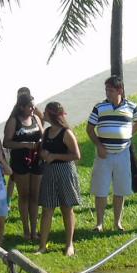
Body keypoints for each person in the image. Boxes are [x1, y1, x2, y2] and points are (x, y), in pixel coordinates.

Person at [87, 75, 137, 232]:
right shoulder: (99, 107)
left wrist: (128, 134)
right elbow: (89, 129)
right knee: (101, 189)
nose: (107, 93)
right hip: (103, 154)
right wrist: (99, 145)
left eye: (111, 90)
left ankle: (117, 222)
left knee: (120, 189)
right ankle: (99, 223)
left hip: (122, 153)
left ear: (120, 90)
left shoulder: (131, 107)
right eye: (106, 90)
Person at [37, 102, 82, 256]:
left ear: (52, 114)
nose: (43, 114)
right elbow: (43, 150)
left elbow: (76, 155)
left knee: (66, 208)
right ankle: (42, 246)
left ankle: (69, 245)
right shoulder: (47, 132)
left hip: (65, 171)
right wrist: (43, 154)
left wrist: (54, 156)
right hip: (49, 172)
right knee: (47, 209)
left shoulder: (66, 133)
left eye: (45, 112)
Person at [4, 89, 44, 242]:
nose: (33, 109)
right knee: (24, 195)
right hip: (20, 161)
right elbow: (6, 142)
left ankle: (34, 230)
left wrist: (40, 144)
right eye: (30, 106)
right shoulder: (14, 121)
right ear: (21, 107)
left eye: (33, 106)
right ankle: (26, 230)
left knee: (35, 195)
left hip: (36, 160)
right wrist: (25, 144)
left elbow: (42, 136)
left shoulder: (35, 118)